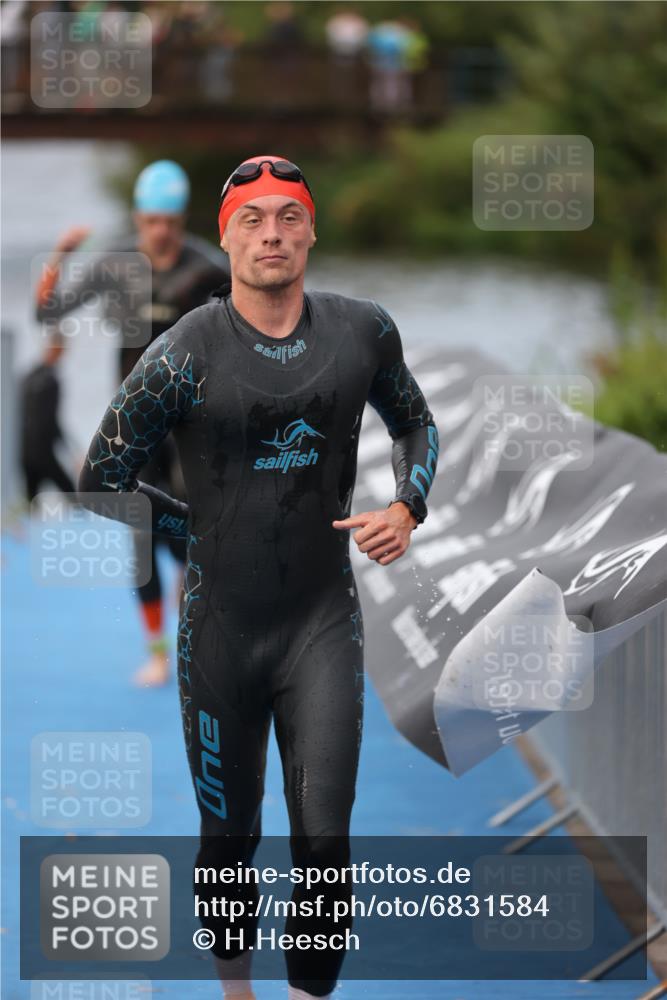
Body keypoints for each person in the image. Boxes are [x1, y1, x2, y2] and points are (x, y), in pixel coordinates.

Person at [78, 155, 439, 999]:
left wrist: (406, 509)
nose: (271, 233)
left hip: (320, 624)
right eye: (251, 219)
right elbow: (100, 480)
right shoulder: (182, 352)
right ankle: (236, 991)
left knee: (324, 842)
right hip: (220, 634)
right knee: (229, 839)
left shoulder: (362, 332)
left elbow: (414, 426)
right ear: (228, 234)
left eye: (287, 216)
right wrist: (195, 531)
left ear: (312, 229)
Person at [35, 159, 231, 686]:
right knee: (140, 536)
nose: (161, 233)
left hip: (193, 421)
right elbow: (48, 312)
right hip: (134, 420)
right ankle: (159, 655)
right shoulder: (117, 263)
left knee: (196, 529)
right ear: (139, 217)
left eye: (169, 221)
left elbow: (256, 329)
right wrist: (61, 256)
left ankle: (197, 639)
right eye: (151, 221)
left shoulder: (209, 269)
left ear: (181, 216)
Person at [19, 328, 74, 502]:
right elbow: (50, 422)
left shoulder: (29, 376)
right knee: (73, 495)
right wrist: (70, 450)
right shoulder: (49, 381)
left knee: (30, 502)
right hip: (42, 452)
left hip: (26, 450)